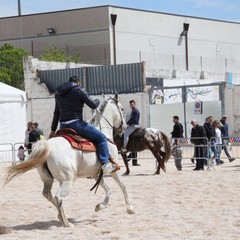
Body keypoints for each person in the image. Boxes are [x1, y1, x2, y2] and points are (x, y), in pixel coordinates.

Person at [50, 76, 117, 174]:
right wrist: (98, 100)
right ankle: (105, 163)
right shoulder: (79, 90)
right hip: (76, 124)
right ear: (78, 83)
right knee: (101, 138)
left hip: (63, 126)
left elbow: (56, 113)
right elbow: (93, 105)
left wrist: (53, 129)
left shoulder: (58, 94)